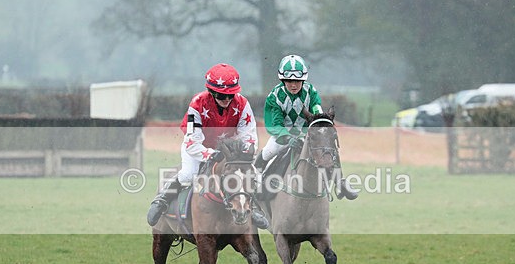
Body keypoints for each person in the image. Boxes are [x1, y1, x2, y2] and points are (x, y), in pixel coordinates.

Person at [146, 63, 269, 228]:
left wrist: (243, 155)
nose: (227, 100)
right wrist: (209, 154)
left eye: (230, 95)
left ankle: (250, 208)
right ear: (211, 91)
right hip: (198, 148)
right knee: (188, 174)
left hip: (229, 153)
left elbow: (249, 136)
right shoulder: (197, 103)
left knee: (254, 176)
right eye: (221, 95)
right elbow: (192, 141)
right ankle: (162, 200)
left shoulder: (242, 104)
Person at [255, 54, 358, 200]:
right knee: (267, 152)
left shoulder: (310, 91)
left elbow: (317, 112)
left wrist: (320, 124)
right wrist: (287, 137)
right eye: (289, 81)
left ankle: (341, 182)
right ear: (283, 80)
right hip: (282, 136)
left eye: (297, 81)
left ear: (303, 80)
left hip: (306, 134)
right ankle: (255, 183)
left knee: (328, 148)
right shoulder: (275, 96)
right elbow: (275, 124)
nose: (293, 85)